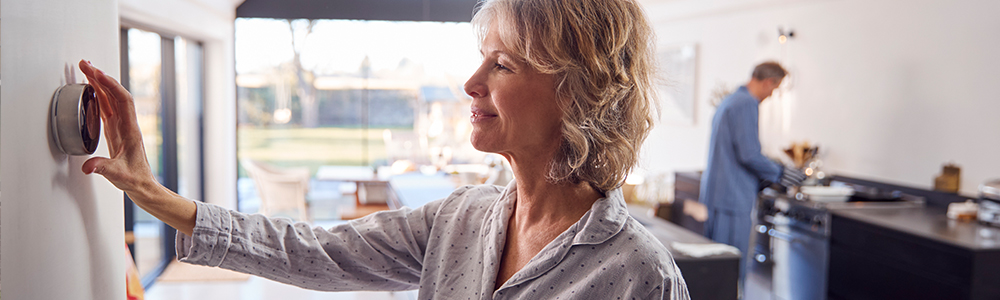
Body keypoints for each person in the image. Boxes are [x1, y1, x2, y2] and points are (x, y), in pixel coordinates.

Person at [79, 0, 690, 298]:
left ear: (577, 93)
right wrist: (156, 197)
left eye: (501, 65)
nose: (472, 84)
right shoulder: (461, 218)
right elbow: (311, 250)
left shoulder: (638, 274)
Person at [699, 62, 806, 277]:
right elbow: (749, 154)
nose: (772, 95)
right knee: (730, 271)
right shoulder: (746, 103)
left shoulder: (730, 100)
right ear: (768, 82)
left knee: (716, 268)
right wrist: (782, 173)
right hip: (732, 199)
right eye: (774, 89)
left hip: (717, 195)